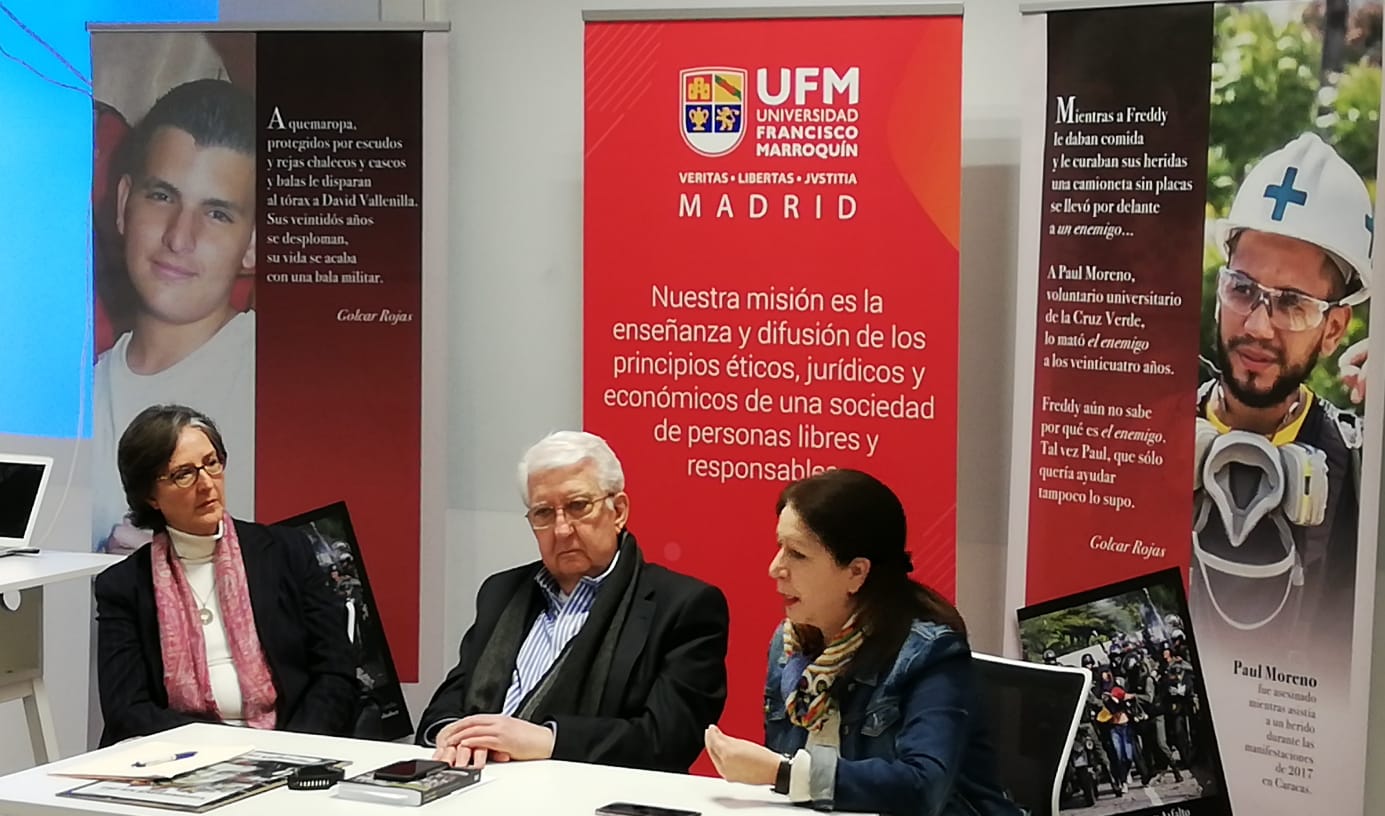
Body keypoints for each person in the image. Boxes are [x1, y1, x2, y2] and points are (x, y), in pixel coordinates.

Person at [702, 469, 1020, 815]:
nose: (775, 567)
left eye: (797, 553)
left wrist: (784, 773)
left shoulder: (931, 654)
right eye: (780, 547)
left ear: (856, 572)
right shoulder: (789, 644)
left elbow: (923, 788)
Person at [416, 431, 730, 772]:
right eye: (543, 513)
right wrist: (455, 734)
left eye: (578, 506)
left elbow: (668, 742)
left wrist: (548, 740)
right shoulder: (501, 592)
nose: (562, 529)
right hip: (473, 779)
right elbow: (449, 700)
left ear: (618, 511)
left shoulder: (683, 606)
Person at [1194, 132, 1370, 659]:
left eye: (1292, 303)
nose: (1257, 326)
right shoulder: (1142, 433)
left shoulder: (1360, 473)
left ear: (1334, 329)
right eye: (1242, 288)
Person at [94, 404, 356, 746]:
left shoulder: (286, 552)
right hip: (181, 755)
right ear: (150, 496)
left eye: (212, 463)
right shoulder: (124, 586)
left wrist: (289, 750)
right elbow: (127, 709)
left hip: (290, 748)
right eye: (184, 474)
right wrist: (227, 749)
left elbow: (335, 672)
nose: (207, 484)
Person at [92, 78, 257, 554]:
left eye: (217, 213)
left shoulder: (285, 384)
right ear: (123, 203)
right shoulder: (75, 400)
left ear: (252, 244)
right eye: (162, 196)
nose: (179, 238)